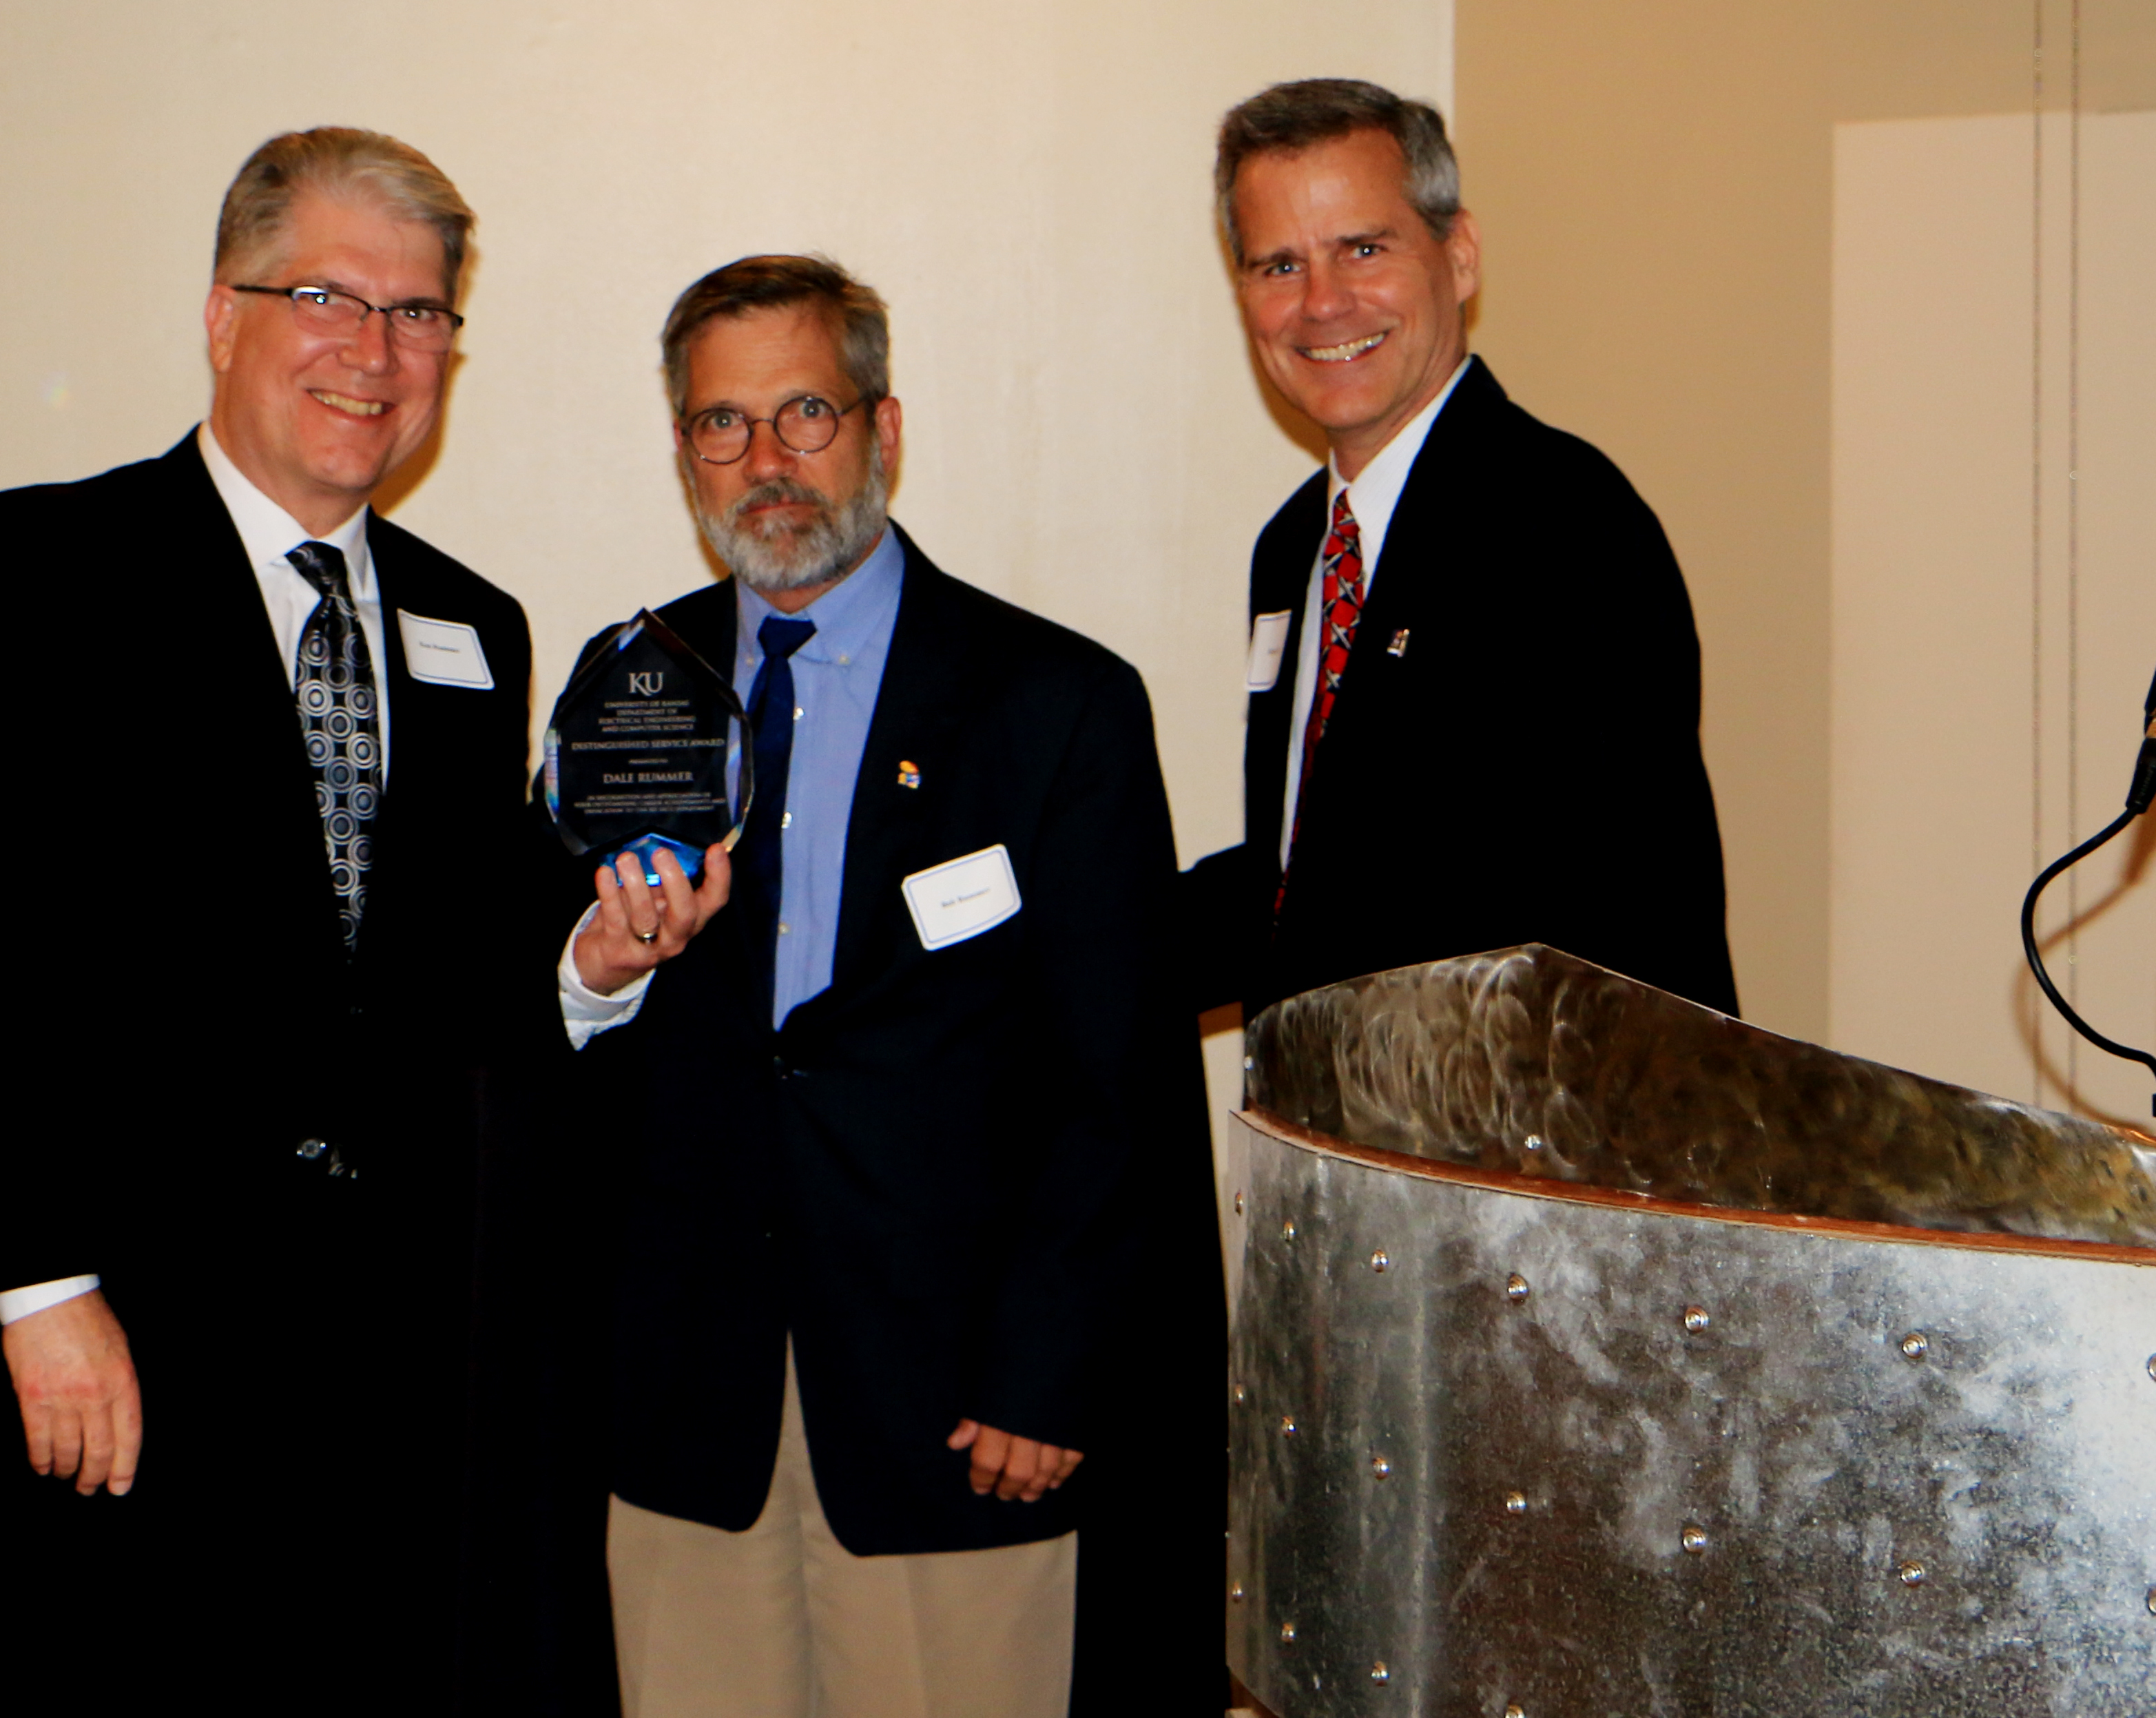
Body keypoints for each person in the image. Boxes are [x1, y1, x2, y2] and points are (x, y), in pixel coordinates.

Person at [0, 127, 537, 1710]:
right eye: (326, 295)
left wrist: (589, 963)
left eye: (419, 313)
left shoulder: (471, 625)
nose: (375, 351)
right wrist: (40, 1287)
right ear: (223, 314)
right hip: (99, 1354)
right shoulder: (42, 564)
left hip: (367, 1385)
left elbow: (436, 972)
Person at [546, 254, 1222, 1718]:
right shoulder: (620, 703)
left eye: (805, 411)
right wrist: (593, 977)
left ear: (884, 427)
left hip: (955, 1407)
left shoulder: (1056, 706)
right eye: (722, 425)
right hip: (684, 1404)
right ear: (682, 453)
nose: (767, 462)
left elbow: (1117, 1082)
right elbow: (564, 1042)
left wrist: (1049, 1373)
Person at [1183, 79, 1741, 1020]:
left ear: (1461, 255)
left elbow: (1592, 917)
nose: (1322, 302)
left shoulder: (1564, 526)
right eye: (1278, 265)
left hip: (1527, 1149)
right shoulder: (1293, 551)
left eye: (1362, 248)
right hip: (1340, 1142)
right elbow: (1304, 875)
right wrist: (1055, 937)